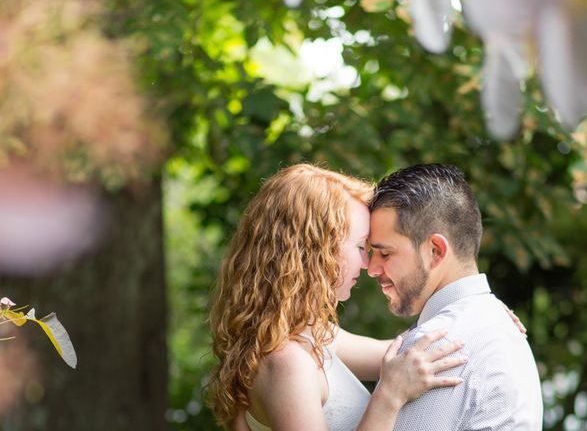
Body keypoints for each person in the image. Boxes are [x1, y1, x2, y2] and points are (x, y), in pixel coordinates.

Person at [207, 163, 468, 431]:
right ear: (314, 251)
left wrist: (472, 313)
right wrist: (388, 397)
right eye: (359, 246)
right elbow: (397, 371)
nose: (367, 264)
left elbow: (401, 353)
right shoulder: (288, 364)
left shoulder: (312, 334)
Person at [368, 163, 543, 430]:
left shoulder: (433, 349)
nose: (371, 268)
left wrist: (386, 398)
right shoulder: (497, 325)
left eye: (385, 253)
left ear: (436, 251)